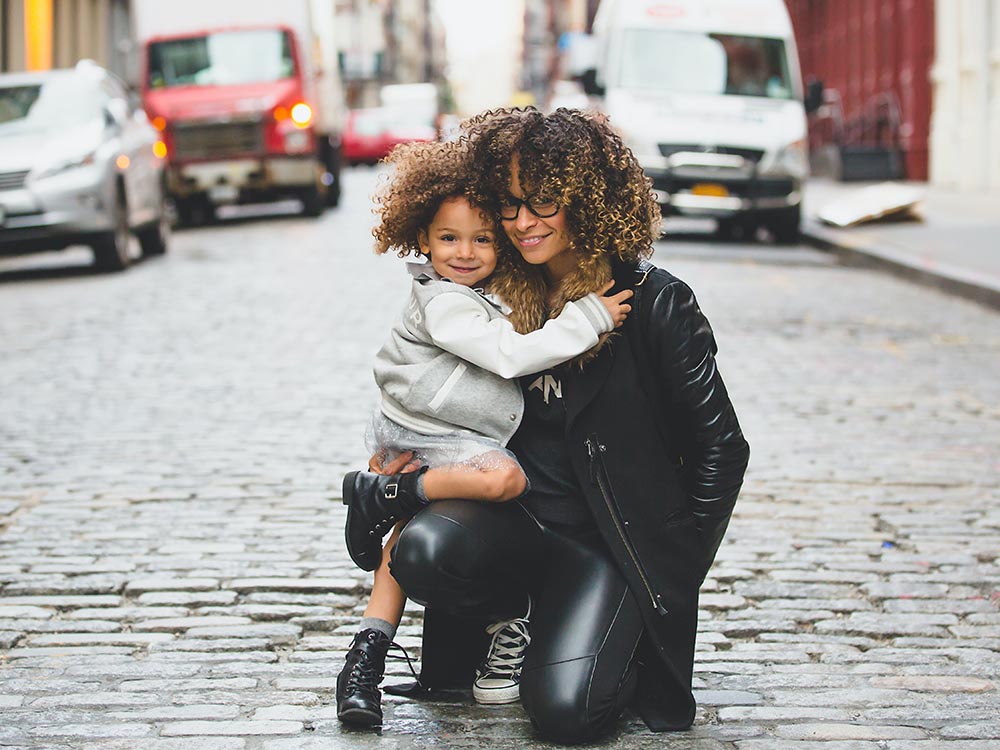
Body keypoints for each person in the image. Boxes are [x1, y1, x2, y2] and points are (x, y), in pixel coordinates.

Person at [379, 108, 751, 745]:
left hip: (607, 544)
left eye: (544, 203)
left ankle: (603, 634)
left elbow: (722, 448)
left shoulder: (654, 302)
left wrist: (670, 571)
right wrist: (402, 461)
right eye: (511, 204)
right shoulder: (492, 290)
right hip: (517, 524)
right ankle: (516, 621)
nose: (523, 223)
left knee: (565, 715)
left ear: (588, 201)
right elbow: (430, 387)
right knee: (423, 551)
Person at [336, 138, 634, 727]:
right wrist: (590, 318)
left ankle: (364, 655)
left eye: (482, 239)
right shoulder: (444, 302)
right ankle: (398, 504)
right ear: (422, 240)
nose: (467, 252)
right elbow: (507, 355)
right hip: (435, 430)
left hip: (431, 429)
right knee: (503, 477)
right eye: (449, 239)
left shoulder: (483, 291)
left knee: (404, 534)